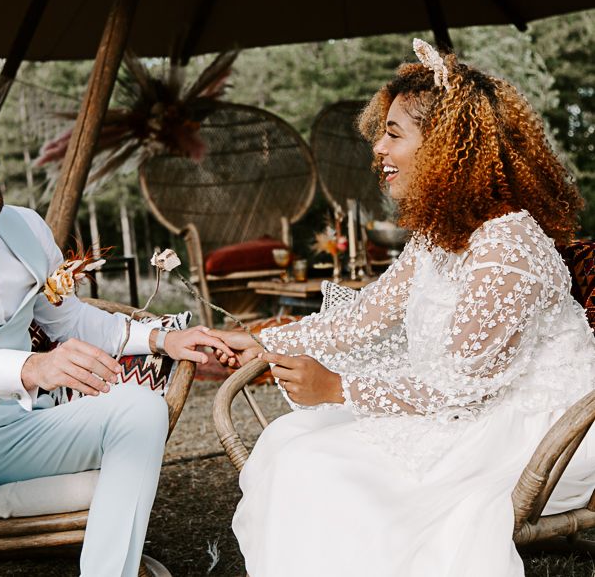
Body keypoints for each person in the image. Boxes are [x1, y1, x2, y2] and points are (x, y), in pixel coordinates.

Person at [213, 39, 595, 577]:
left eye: (393, 134)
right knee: (286, 440)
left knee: (312, 464)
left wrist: (339, 388)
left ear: (445, 146)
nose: (378, 149)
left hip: (538, 435)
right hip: (467, 409)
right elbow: (362, 319)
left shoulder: (508, 245)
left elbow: (465, 385)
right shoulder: (438, 237)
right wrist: (260, 342)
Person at [0, 81, 234, 577]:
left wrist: (161, 338)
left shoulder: (24, 227)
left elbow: (68, 318)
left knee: (141, 410)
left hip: (19, 429)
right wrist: (32, 367)